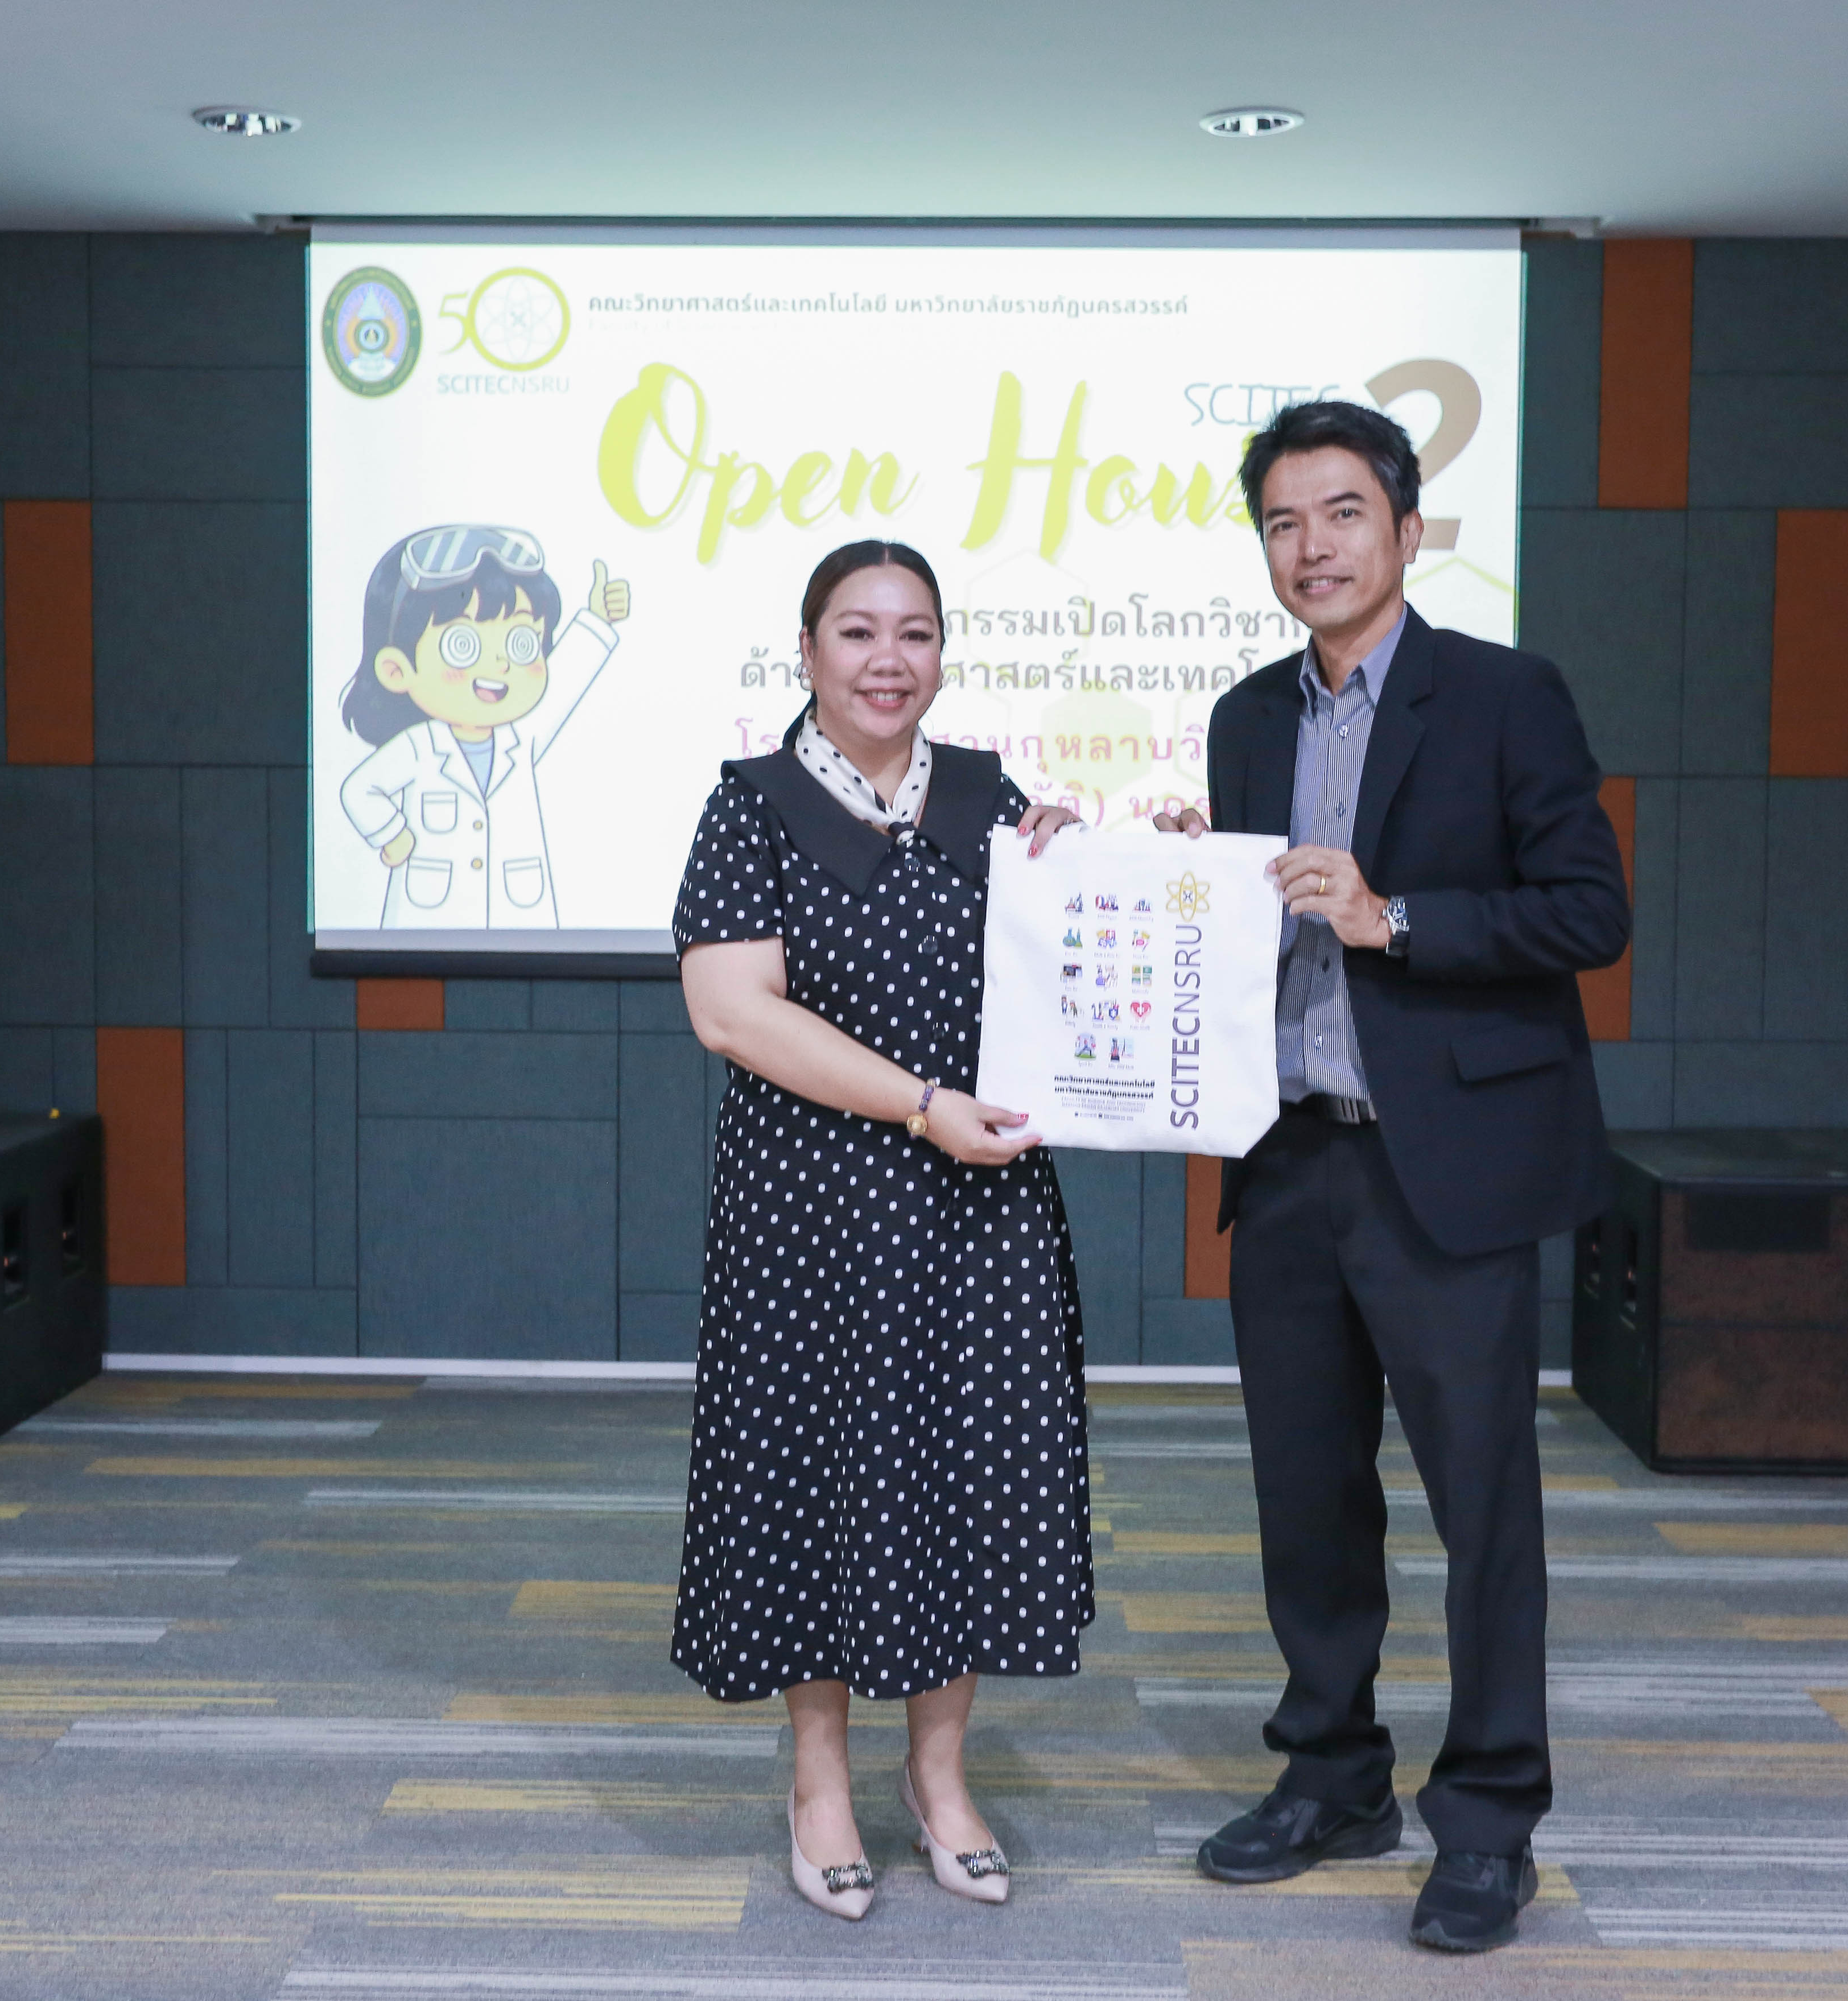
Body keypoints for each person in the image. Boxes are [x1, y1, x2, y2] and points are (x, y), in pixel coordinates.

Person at [1153, 402, 1628, 1953]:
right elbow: (1249, 923)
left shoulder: (1502, 694)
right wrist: (1183, 875)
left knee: (1481, 1510)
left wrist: (1393, 917)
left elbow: (1586, 911)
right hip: (1289, 1155)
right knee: (1306, 1498)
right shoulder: (1244, 715)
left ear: (1407, 530)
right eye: (1282, 522)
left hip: (1448, 1171)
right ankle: (1331, 1774)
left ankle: (1485, 1820)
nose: (1312, 547)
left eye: (1342, 513)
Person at [671, 539, 1090, 1921]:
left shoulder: (990, 798)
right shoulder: (750, 806)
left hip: (977, 1211)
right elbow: (733, 1013)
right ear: (805, 652)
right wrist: (918, 1106)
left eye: (914, 632)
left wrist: (1117, 866)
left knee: (966, 1479)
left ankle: (939, 1775)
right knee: (814, 1483)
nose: (886, 659)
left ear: (942, 654)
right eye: (855, 632)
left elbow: (1068, 961)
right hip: (809, 1212)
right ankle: (818, 1782)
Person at [337, 523, 633, 927]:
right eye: (462, 645)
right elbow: (360, 789)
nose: (500, 664)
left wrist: (597, 620)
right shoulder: (419, 748)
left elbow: (566, 684)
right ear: (397, 669)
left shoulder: (521, 740)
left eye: (522, 643)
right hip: (427, 931)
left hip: (522, 928)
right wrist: (392, 834)